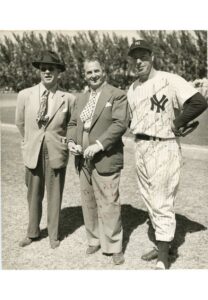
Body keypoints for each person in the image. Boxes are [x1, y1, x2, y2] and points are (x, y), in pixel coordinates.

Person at [127, 39, 207, 269]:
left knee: (162, 200)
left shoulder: (169, 79)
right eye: (135, 57)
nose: (139, 61)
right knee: (149, 199)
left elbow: (199, 102)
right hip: (140, 146)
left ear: (152, 57)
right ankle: (163, 244)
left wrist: (178, 121)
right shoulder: (132, 88)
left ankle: (163, 258)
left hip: (163, 146)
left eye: (143, 55)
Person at [67, 56, 129, 265]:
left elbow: (120, 124)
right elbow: (73, 123)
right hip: (82, 159)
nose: (92, 75)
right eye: (88, 72)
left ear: (104, 72)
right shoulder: (81, 98)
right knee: (88, 200)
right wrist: (71, 142)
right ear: (84, 75)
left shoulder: (117, 95)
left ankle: (114, 246)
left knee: (109, 202)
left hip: (106, 156)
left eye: (96, 71)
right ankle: (93, 239)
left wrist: (99, 145)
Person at [16, 50, 75, 249]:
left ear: (59, 72)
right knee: (33, 194)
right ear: (39, 72)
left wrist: (63, 143)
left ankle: (53, 234)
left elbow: (71, 126)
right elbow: (20, 123)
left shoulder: (68, 98)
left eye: (51, 68)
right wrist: (31, 141)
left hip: (56, 150)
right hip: (34, 150)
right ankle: (32, 232)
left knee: (55, 194)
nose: (47, 71)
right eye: (43, 69)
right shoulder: (25, 95)